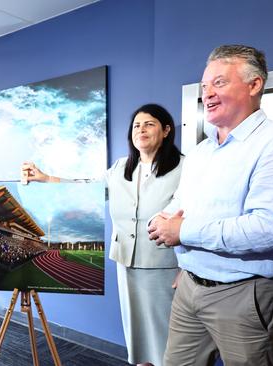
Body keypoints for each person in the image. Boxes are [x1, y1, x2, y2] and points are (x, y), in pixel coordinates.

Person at [148, 44, 273, 366]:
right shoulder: (201, 150)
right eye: (204, 86)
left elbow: (270, 229)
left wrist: (182, 231)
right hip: (189, 285)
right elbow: (182, 201)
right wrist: (164, 218)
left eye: (219, 83)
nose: (207, 94)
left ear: (254, 85)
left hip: (244, 295)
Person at [106, 104, 182, 366]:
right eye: (137, 125)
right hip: (127, 264)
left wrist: (190, 266)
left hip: (165, 266)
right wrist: (46, 178)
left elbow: (198, 215)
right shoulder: (119, 168)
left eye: (149, 124)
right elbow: (89, 189)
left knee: (167, 336)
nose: (141, 129)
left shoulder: (184, 168)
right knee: (136, 334)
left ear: (166, 130)